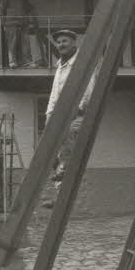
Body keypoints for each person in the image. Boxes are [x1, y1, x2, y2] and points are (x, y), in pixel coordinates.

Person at [42, 28, 95, 209]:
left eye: (65, 41)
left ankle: (64, 179)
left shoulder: (81, 63)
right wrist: (49, 115)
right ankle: (58, 196)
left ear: (74, 43)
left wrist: (78, 109)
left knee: (68, 140)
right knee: (55, 152)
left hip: (77, 115)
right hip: (58, 115)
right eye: (58, 42)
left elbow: (88, 87)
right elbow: (54, 93)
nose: (60, 45)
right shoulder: (60, 65)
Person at [0, 0, 29, 69]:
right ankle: (12, 61)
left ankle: (27, 61)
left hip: (22, 21)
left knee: (25, 42)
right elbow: (1, 10)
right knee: (12, 43)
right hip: (10, 23)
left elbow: (25, 6)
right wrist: (3, 24)